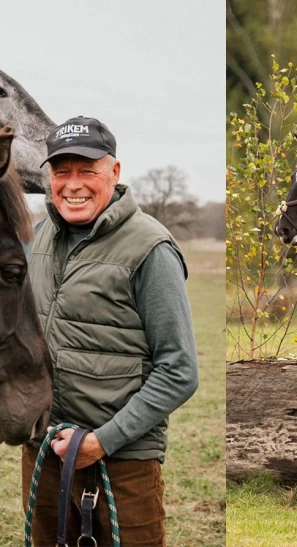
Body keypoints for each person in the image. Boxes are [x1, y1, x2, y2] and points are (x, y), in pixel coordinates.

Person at [21, 115, 199, 546]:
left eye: (87, 171)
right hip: (45, 451)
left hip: (122, 462)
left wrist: (102, 441)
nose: (73, 185)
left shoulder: (150, 248)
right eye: (62, 172)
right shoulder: (37, 238)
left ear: (114, 172)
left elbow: (179, 370)